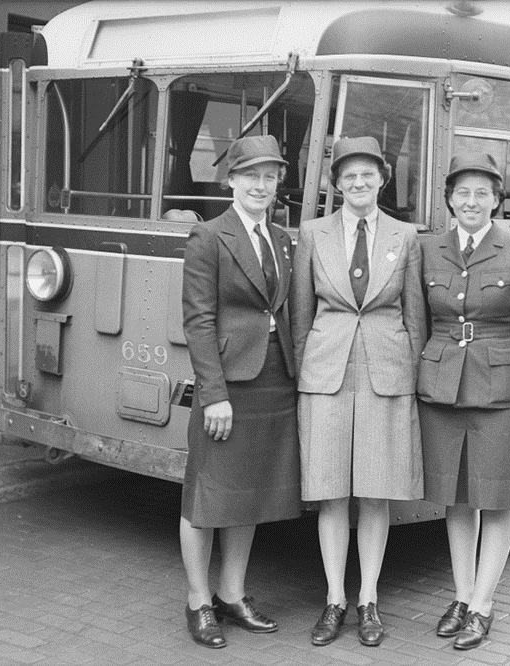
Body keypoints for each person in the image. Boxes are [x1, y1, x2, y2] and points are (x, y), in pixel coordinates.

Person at [290, 136, 426, 647]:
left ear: (383, 179)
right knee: (329, 491)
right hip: (326, 372)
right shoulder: (312, 233)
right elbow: (299, 314)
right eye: (349, 175)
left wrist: (413, 377)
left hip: (386, 374)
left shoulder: (405, 236)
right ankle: (334, 599)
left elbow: (415, 316)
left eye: (368, 174)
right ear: (337, 183)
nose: (359, 182)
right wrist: (305, 371)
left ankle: (368, 598)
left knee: (374, 490)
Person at [417, 152, 510, 650]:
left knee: (497, 498)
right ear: (449, 200)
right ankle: (461, 594)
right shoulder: (428, 250)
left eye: (482, 193)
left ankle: (483, 604)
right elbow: (418, 322)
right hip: (442, 389)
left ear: (497, 200)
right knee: (456, 496)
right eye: (462, 193)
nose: (471, 202)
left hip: (499, 391)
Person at [180, 135, 301, 649]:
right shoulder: (207, 236)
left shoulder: (281, 238)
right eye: (251, 175)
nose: (260, 185)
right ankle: (198, 601)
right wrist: (214, 395)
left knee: (249, 491)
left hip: (274, 378)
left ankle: (231, 593)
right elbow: (198, 320)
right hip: (228, 384)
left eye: (270, 176)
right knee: (206, 493)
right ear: (230, 179)